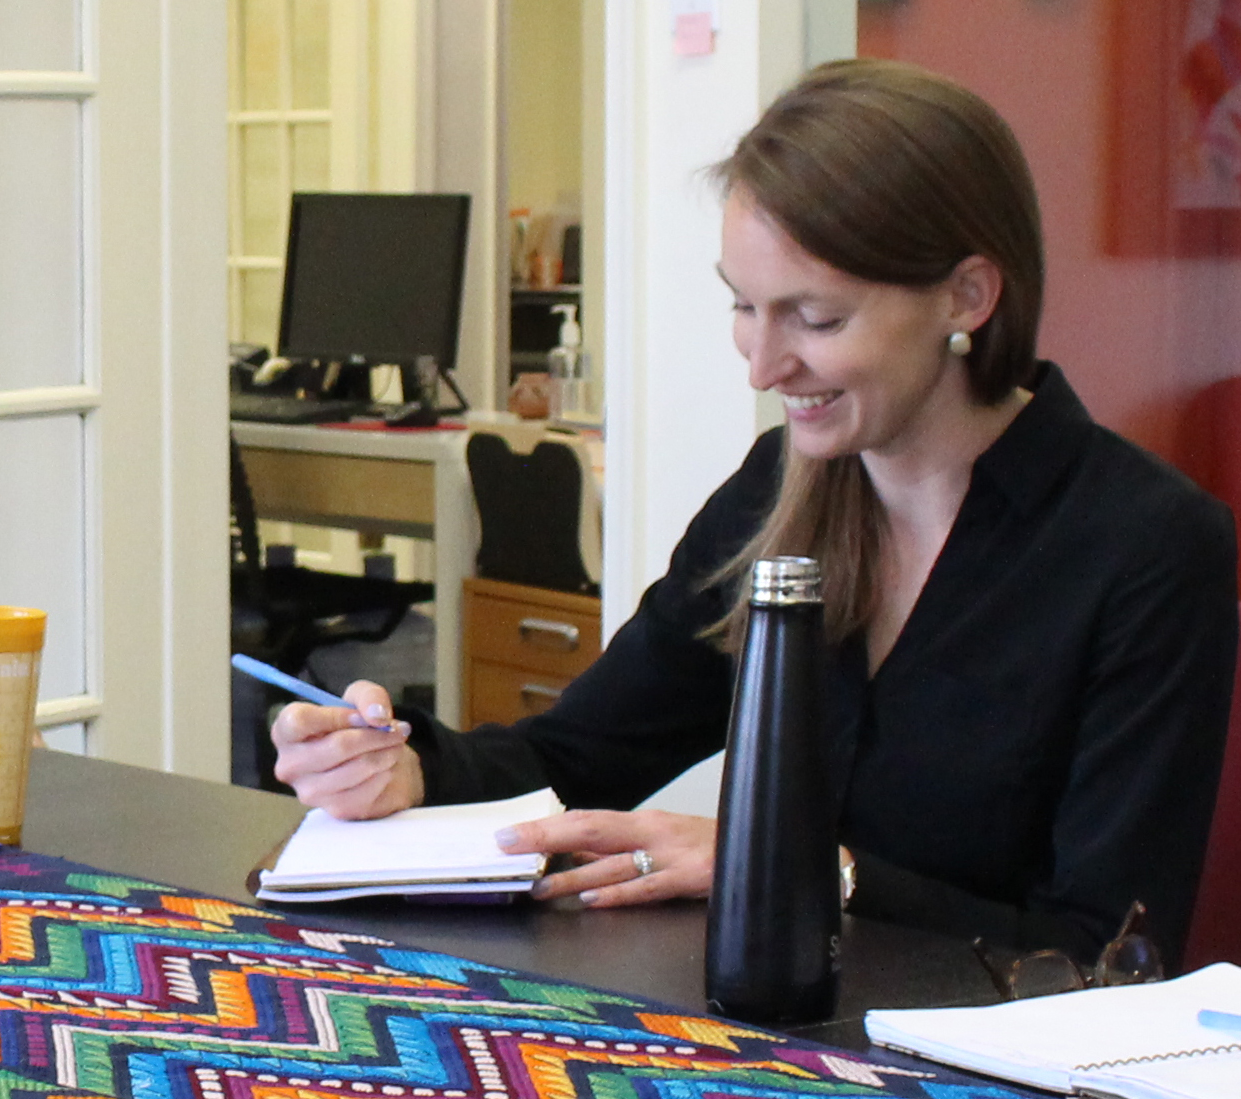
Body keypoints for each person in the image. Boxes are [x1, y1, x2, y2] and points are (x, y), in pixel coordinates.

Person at [272, 61, 1238, 965]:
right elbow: (573, 758)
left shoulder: (1148, 551)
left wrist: (813, 876)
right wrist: (404, 769)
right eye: (745, 307)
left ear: (970, 295)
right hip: (768, 1047)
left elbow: (1109, 957)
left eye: (816, 320)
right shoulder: (778, 489)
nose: (764, 365)